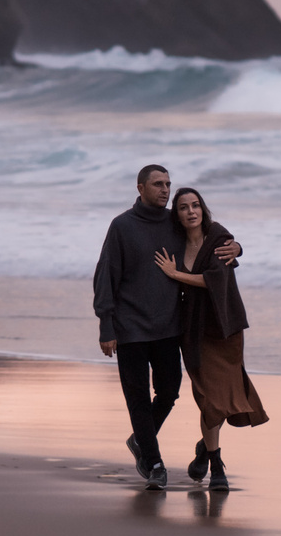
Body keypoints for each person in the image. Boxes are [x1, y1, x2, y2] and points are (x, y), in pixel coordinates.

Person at [92, 164, 236, 486]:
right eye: (158, 184)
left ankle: (141, 440)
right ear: (140, 188)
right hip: (129, 328)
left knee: (169, 391)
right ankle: (154, 462)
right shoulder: (122, 226)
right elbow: (106, 277)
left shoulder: (175, 223)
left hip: (169, 327)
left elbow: (210, 237)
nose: (165, 190)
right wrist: (106, 325)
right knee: (138, 397)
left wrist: (238, 247)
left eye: (168, 184)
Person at [155, 187, 268, 488]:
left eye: (195, 206)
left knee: (222, 396)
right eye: (183, 207)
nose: (191, 211)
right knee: (208, 397)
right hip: (192, 331)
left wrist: (175, 274)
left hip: (223, 329)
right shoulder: (174, 243)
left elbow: (213, 279)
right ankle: (210, 455)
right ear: (176, 215)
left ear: (203, 210)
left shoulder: (218, 237)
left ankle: (211, 457)